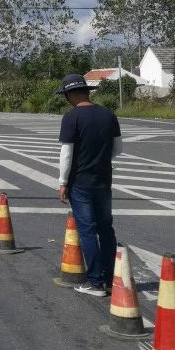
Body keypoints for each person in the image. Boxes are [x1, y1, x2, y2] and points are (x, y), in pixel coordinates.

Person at [56, 73, 123, 297]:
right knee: (106, 229)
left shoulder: (71, 117)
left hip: (80, 183)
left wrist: (62, 182)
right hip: (104, 181)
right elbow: (118, 150)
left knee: (87, 231)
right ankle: (111, 279)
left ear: (70, 94)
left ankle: (95, 283)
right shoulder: (108, 115)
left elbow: (67, 153)